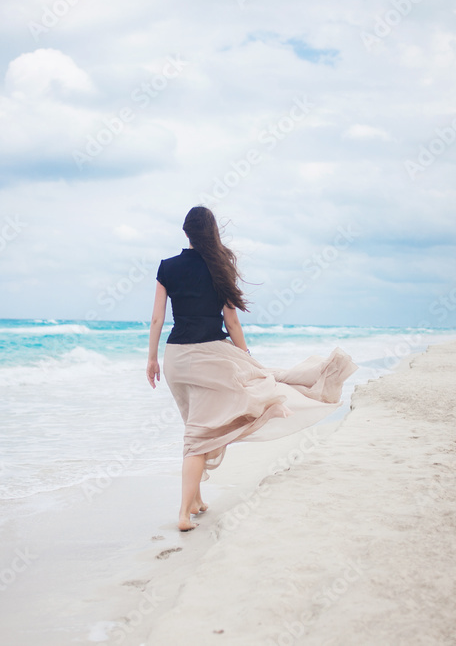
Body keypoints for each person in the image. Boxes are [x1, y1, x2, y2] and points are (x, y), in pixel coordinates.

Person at [147, 206, 357, 532]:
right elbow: (231, 320)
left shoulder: (167, 267)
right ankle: (183, 515)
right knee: (198, 434)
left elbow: (158, 318)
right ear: (212, 231)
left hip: (176, 358)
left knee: (195, 427)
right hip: (212, 357)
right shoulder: (218, 268)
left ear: (185, 231)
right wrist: (246, 355)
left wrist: (151, 358)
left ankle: (197, 502)